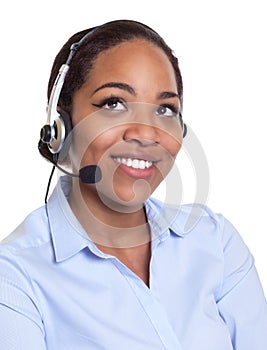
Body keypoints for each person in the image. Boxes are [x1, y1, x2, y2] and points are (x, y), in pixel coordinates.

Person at [0, 19, 266, 350]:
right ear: (60, 126)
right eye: (114, 103)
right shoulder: (15, 276)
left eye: (165, 109)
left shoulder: (215, 242)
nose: (145, 133)